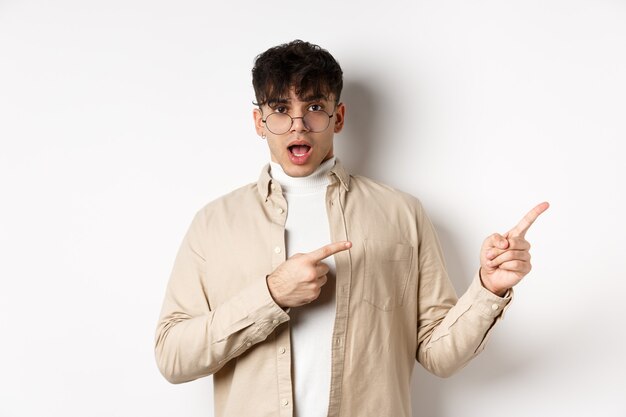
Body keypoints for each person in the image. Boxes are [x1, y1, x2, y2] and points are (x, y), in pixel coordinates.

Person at [154, 40, 549, 417]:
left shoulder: (401, 213)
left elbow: (438, 356)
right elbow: (173, 357)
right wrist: (271, 295)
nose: (298, 126)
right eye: (279, 109)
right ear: (259, 121)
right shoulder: (213, 223)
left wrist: (488, 288)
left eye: (313, 107)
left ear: (337, 117)